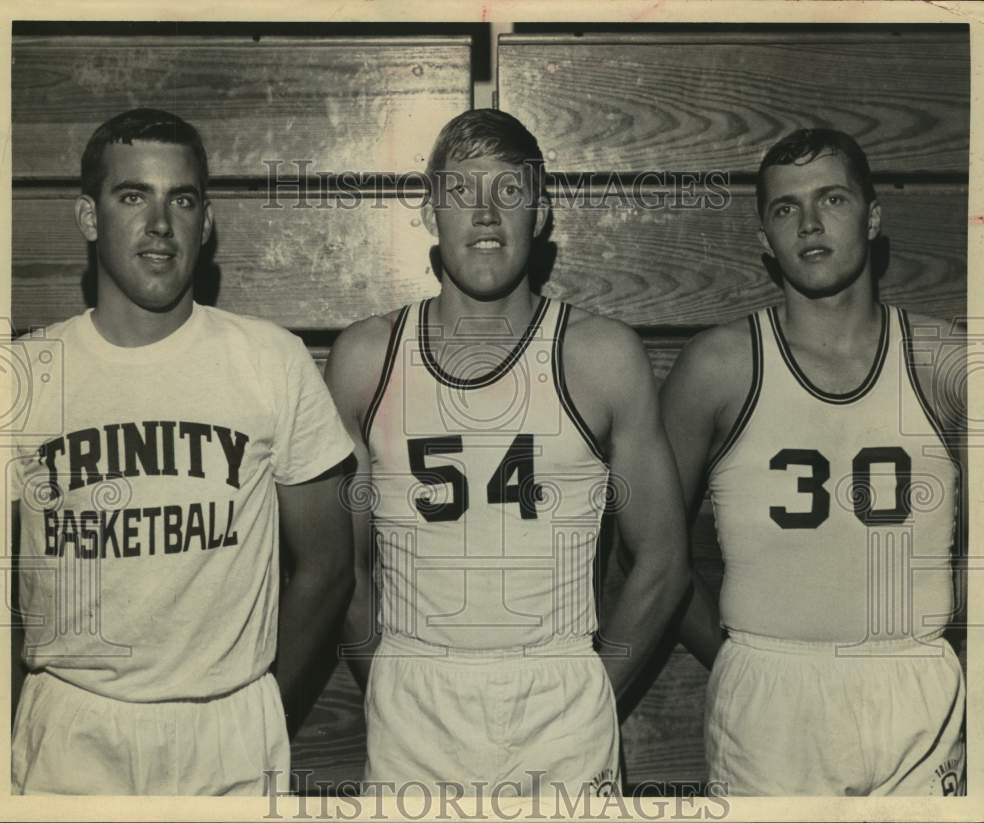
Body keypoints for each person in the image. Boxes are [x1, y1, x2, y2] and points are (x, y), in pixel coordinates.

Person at [324, 108, 690, 796]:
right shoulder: (367, 358)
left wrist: (591, 692)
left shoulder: (600, 356)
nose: (486, 213)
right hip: (414, 695)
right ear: (430, 212)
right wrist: (396, 684)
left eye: (510, 191)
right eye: (462, 191)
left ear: (542, 213)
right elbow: (342, 570)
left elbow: (665, 563)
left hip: (560, 690)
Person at [9, 108, 355, 795]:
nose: (160, 223)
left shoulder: (272, 361)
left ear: (207, 221)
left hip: (228, 723)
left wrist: (261, 707)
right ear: (88, 216)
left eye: (183, 200)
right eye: (132, 196)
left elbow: (329, 567)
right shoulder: (22, 376)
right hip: (69, 725)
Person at [663, 128, 966, 796]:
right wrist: (739, 657)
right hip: (770, 688)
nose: (809, 223)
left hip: (916, 679)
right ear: (765, 239)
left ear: (872, 217)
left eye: (832, 198)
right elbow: (650, 553)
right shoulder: (719, 366)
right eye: (785, 207)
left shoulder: (945, 361)